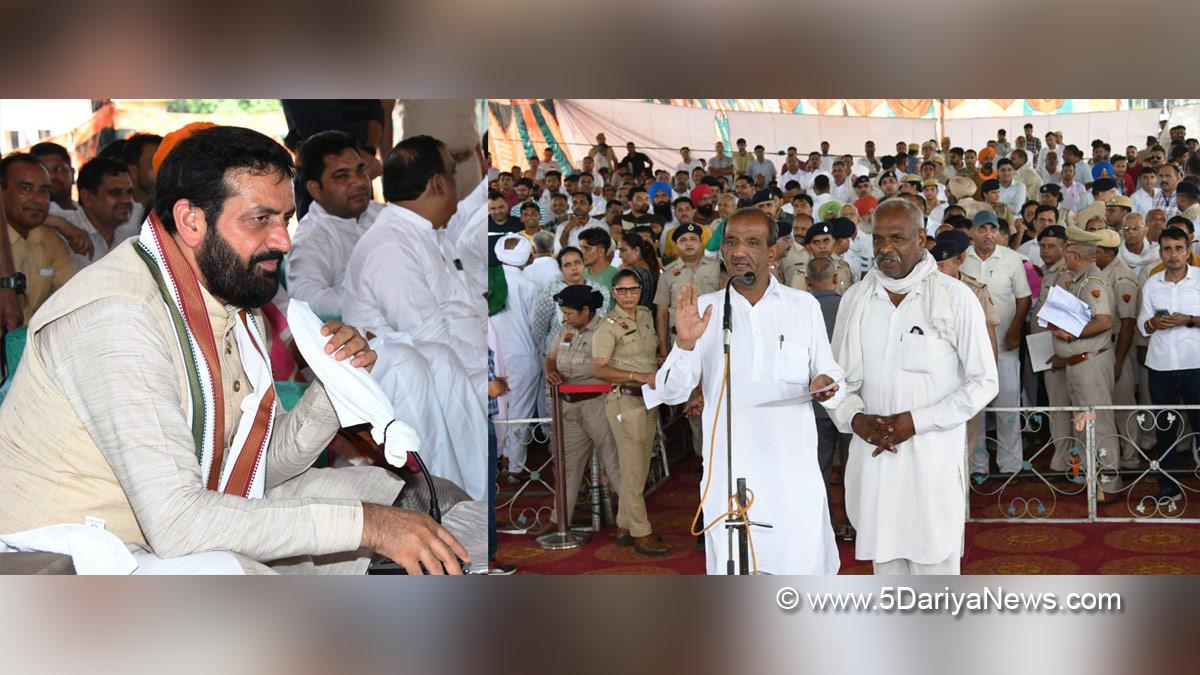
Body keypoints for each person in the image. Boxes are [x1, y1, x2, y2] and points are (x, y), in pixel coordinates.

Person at [0, 125, 469, 575]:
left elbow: (255, 465)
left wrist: (334, 386)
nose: (283, 240)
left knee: (413, 498)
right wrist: (367, 526)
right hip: (74, 557)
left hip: (171, 524)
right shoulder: (118, 316)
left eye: (286, 219)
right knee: (304, 550)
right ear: (191, 221)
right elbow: (179, 523)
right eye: (260, 219)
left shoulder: (224, 292)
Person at [655, 208, 844, 573]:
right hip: (731, 471)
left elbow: (831, 372)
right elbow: (672, 393)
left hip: (792, 472)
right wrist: (685, 345)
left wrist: (827, 384)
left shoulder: (802, 306)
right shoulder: (704, 311)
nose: (739, 251)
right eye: (731, 242)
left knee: (798, 572)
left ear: (774, 252)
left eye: (752, 242)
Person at [830, 197, 998, 575]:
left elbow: (984, 382)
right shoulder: (856, 300)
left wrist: (916, 421)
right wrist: (856, 420)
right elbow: (837, 381)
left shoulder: (955, 298)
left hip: (931, 465)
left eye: (897, 238)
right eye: (878, 240)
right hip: (876, 467)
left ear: (922, 238)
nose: (885, 249)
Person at [342, 134, 489, 500]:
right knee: (459, 490)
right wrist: (488, 378)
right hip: (420, 387)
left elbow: (465, 309)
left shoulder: (428, 233)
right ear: (438, 183)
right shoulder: (393, 244)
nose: (456, 183)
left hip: (456, 374)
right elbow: (428, 337)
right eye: (453, 174)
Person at [526, 285, 623, 537]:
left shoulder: (606, 329)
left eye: (569, 313)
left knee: (614, 465)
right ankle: (559, 520)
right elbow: (550, 358)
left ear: (586, 310)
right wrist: (551, 373)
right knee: (567, 468)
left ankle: (629, 522)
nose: (564, 317)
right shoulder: (565, 329)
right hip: (568, 407)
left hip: (599, 404)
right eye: (563, 312)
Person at [591, 269, 667, 556]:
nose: (628, 295)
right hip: (624, 401)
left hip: (647, 400)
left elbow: (652, 352)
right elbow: (599, 369)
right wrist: (640, 374)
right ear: (613, 293)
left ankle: (623, 525)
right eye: (622, 291)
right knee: (633, 471)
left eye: (633, 289)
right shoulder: (607, 326)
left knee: (638, 467)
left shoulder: (645, 315)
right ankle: (641, 531)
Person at [1047, 226, 1123, 497]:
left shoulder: (1093, 281)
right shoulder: (1078, 278)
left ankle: (1109, 483)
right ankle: (1092, 481)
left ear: (1075, 252)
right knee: (1084, 425)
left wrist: (1070, 333)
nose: (1064, 255)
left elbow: (1104, 321)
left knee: (1099, 423)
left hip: (1090, 362)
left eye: (1067, 250)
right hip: (1077, 363)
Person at [287, 130, 384, 318]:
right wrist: (377, 303)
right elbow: (306, 298)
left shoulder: (383, 215)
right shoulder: (312, 238)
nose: (357, 182)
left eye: (361, 170)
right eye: (341, 176)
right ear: (315, 189)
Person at [963, 210, 1031, 478]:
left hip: (1005, 346)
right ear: (972, 232)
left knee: (1008, 408)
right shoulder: (962, 259)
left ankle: (1011, 466)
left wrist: (1015, 329)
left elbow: (1024, 298)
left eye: (992, 229)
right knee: (975, 411)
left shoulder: (1013, 259)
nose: (987, 234)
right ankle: (978, 467)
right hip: (970, 351)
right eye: (982, 229)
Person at [1137, 226, 1200, 502]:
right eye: (1167, 249)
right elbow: (1142, 324)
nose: (1173, 254)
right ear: (1160, 252)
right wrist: (1154, 323)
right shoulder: (1152, 283)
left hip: (1194, 362)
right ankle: (1168, 486)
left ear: (1188, 250)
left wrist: (1189, 319)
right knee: (1164, 427)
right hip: (1161, 365)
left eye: (1178, 248)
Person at [0, 153, 78, 322]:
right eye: (26, 188)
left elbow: (75, 294)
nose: (38, 199)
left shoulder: (50, 240)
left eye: (44, 190)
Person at [617, 232, 659, 310]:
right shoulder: (650, 268)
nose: (620, 255)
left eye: (623, 250)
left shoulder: (634, 274)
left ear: (636, 250)